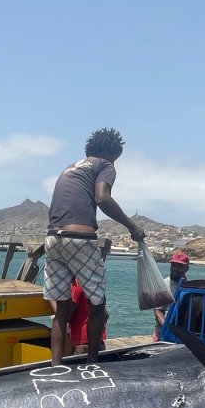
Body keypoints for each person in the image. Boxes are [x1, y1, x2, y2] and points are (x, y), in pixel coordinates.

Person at [44, 127, 144, 366]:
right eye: (116, 158)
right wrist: (132, 227)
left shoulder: (69, 168)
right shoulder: (104, 164)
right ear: (110, 152)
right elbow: (102, 197)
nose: (114, 163)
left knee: (61, 309)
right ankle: (92, 364)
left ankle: (56, 365)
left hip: (53, 239)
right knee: (97, 304)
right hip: (80, 239)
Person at [152, 251, 190, 339]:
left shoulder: (190, 287)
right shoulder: (162, 285)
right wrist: (168, 327)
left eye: (179, 266)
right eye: (173, 265)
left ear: (186, 268)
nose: (175, 268)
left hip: (184, 334)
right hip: (163, 332)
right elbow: (158, 312)